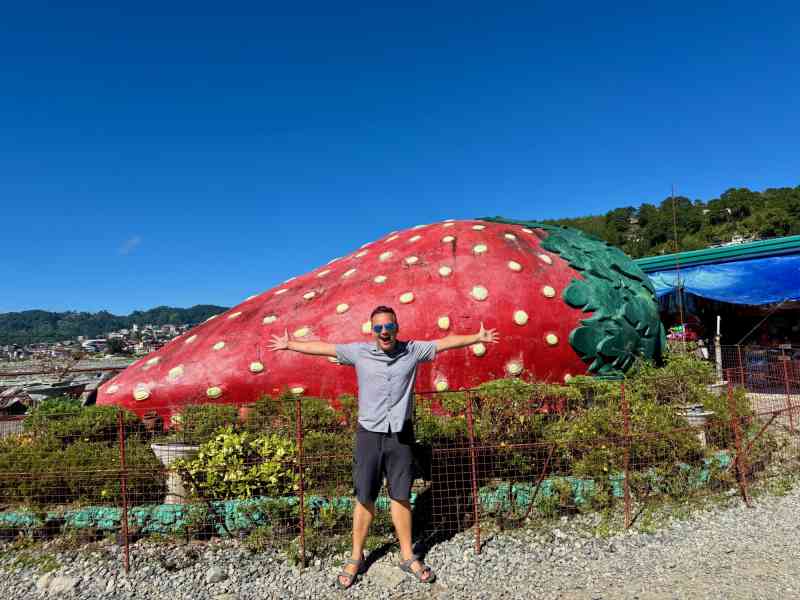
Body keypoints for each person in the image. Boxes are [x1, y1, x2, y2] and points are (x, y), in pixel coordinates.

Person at [268, 305, 499, 589]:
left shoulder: (412, 350)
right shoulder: (359, 352)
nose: (384, 331)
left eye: (388, 326)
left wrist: (476, 338)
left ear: (396, 327)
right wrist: (291, 344)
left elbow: (444, 343)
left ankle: (407, 554)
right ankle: (356, 557)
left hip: (400, 434)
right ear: (372, 330)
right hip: (369, 434)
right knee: (365, 496)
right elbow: (325, 348)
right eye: (378, 327)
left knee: (401, 495)